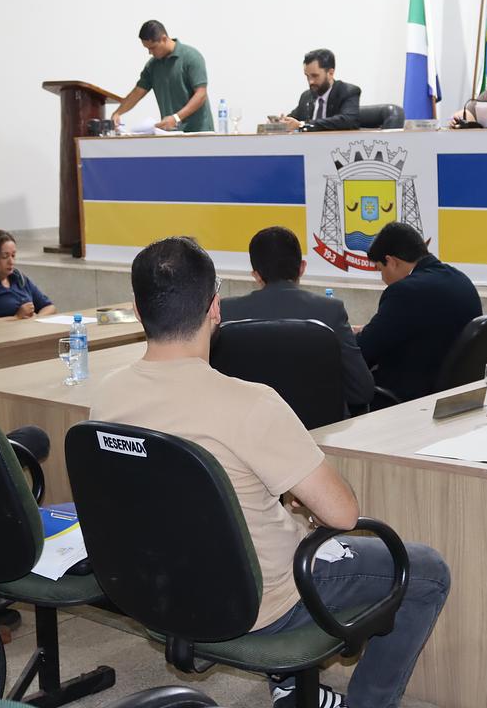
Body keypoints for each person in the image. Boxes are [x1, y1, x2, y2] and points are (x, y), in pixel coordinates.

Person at [90, 237, 450, 708]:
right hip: (263, 603)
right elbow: (342, 514)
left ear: (138, 310)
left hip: (160, 594)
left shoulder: (107, 397)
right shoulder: (251, 403)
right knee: (426, 569)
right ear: (215, 307)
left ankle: (290, 684)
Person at [221, 226, 374, 409]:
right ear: (302, 268)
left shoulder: (227, 313)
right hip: (320, 425)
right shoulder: (330, 311)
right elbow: (361, 390)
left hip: (248, 423)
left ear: (256, 275)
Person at [355, 222, 482, 403]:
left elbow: (363, 350)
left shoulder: (405, 292)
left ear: (392, 262)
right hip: (454, 394)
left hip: (409, 398)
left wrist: (347, 337)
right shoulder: (460, 279)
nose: (382, 278)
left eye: (380, 269)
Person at [110, 20, 212, 133]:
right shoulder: (152, 66)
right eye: (147, 48)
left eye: (153, 47)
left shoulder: (191, 57)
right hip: (171, 134)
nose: (150, 52)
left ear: (164, 38)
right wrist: (118, 113)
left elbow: (201, 94)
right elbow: (137, 92)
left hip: (199, 133)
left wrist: (176, 118)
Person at [280, 49, 361, 132]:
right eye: (307, 76)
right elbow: (293, 120)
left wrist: (303, 125)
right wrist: (281, 122)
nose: (310, 81)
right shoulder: (306, 96)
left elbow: (348, 120)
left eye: (315, 76)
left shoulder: (347, 92)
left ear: (330, 73)